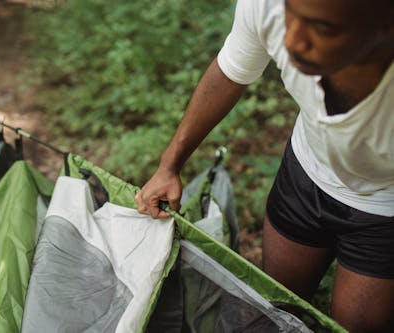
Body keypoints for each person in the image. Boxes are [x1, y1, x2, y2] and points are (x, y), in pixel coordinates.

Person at [134, 0, 394, 331]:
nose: (292, 41)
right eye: (290, 15)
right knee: (272, 307)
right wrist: (169, 166)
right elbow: (230, 72)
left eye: (323, 29)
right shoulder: (267, 5)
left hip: (385, 212)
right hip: (305, 173)